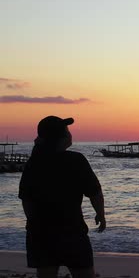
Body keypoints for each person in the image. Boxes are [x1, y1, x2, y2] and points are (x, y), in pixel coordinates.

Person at [19, 116, 106, 278]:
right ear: (61, 137)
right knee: (84, 274)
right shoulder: (75, 160)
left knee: (46, 274)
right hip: (71, 231)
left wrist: (34, 223)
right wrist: (101, 214)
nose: (70, 134)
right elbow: (95, 193)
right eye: (67, 131)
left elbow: (26, 200)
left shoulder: (34, 163)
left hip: (40, 234)